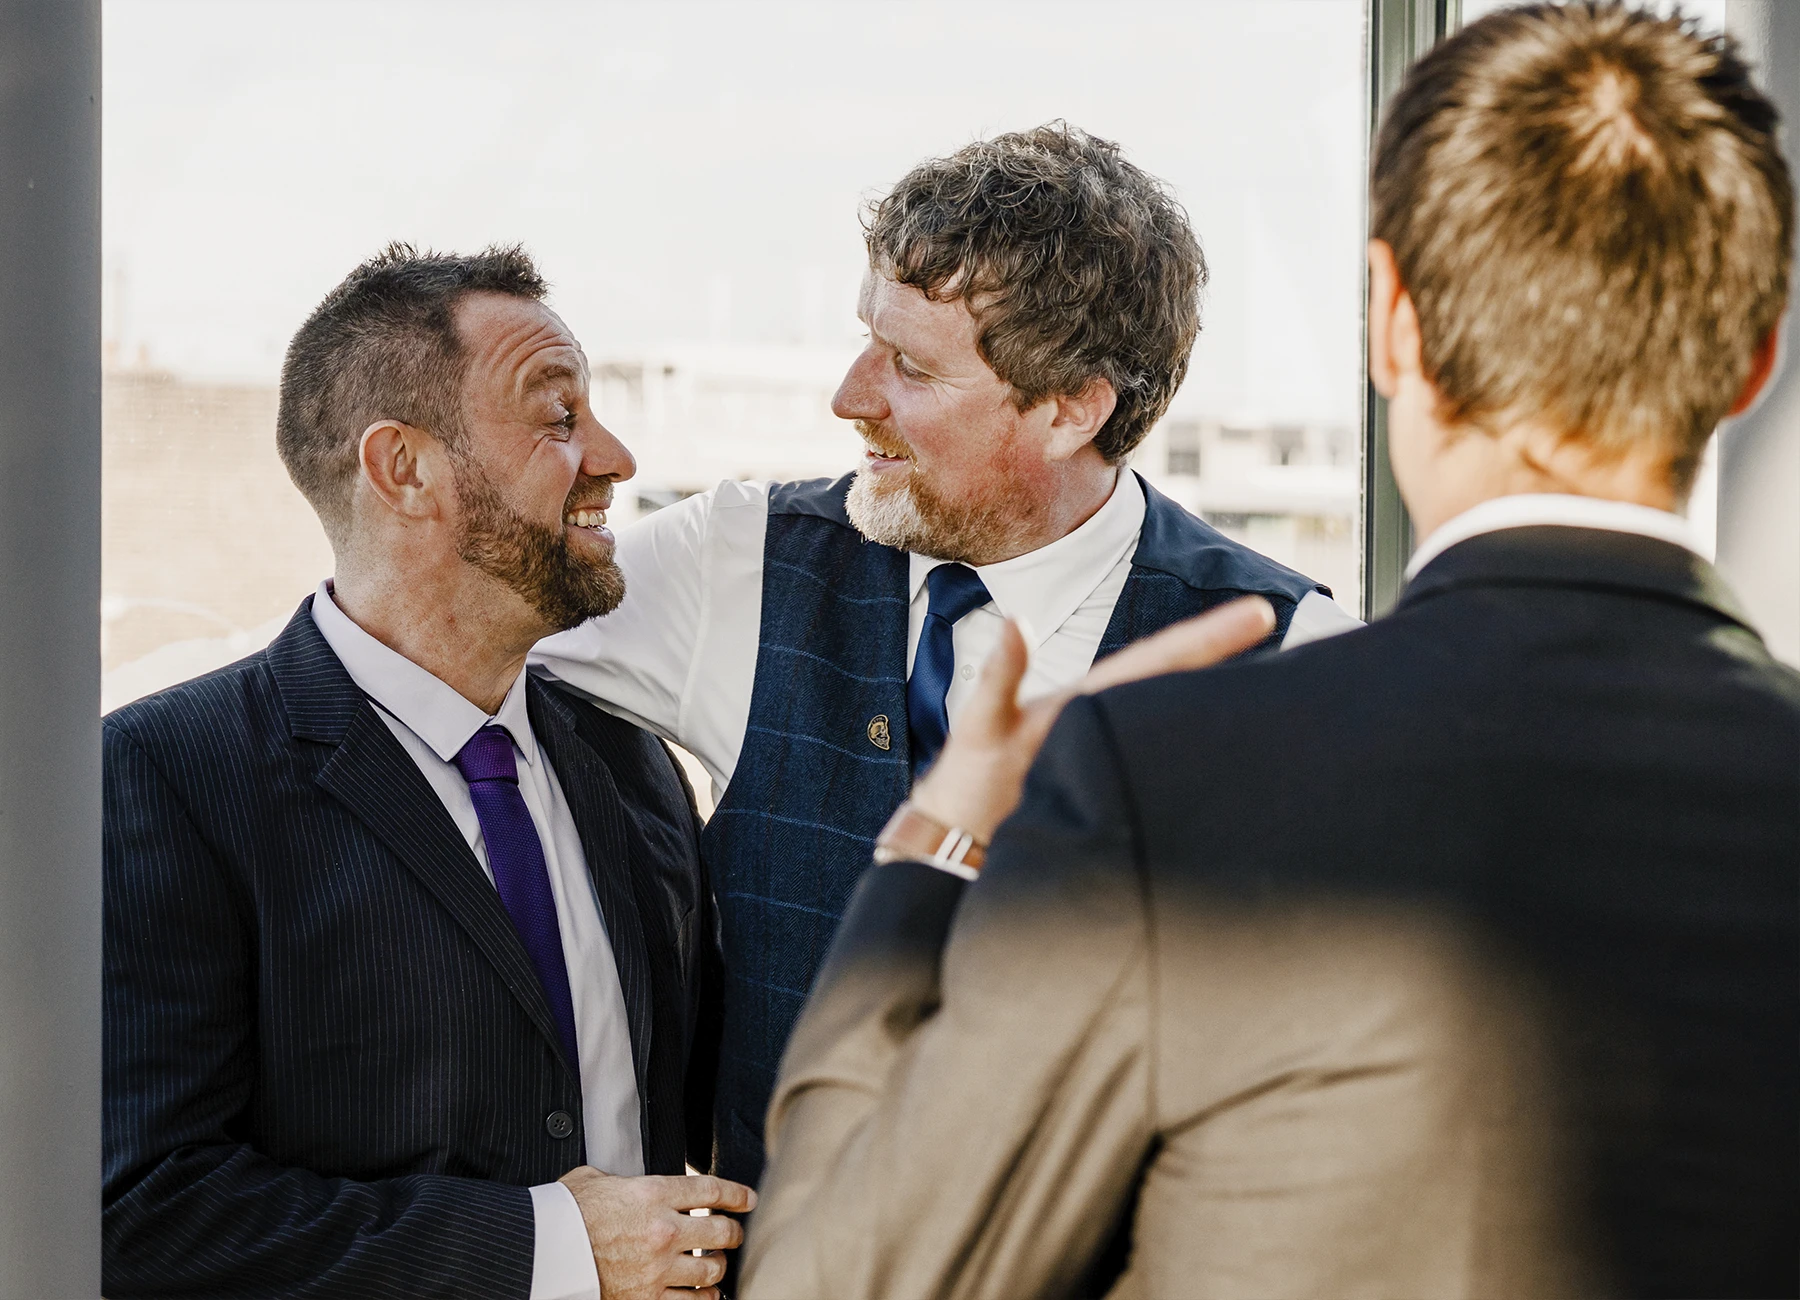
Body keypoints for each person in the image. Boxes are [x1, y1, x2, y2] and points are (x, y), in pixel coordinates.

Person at [741, 6, 1799, 1298]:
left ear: (1391, 323)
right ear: (1755, 359)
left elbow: (840, 1276)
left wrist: (935, 844)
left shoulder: (1155, 777)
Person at [532, 124, 1357, 1185]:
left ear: (1071, 409)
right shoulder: (733, 560)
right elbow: (440, 653)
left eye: (912, 367)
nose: (850, 396)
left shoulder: (1298, 662)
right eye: (867, 340)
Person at [103, 246, 754, 1300]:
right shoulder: (162, 778)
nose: (616, 457)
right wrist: (549, 1248)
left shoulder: (628, 759)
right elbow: (146, 1210)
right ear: (403, 468)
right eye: (559, 417)